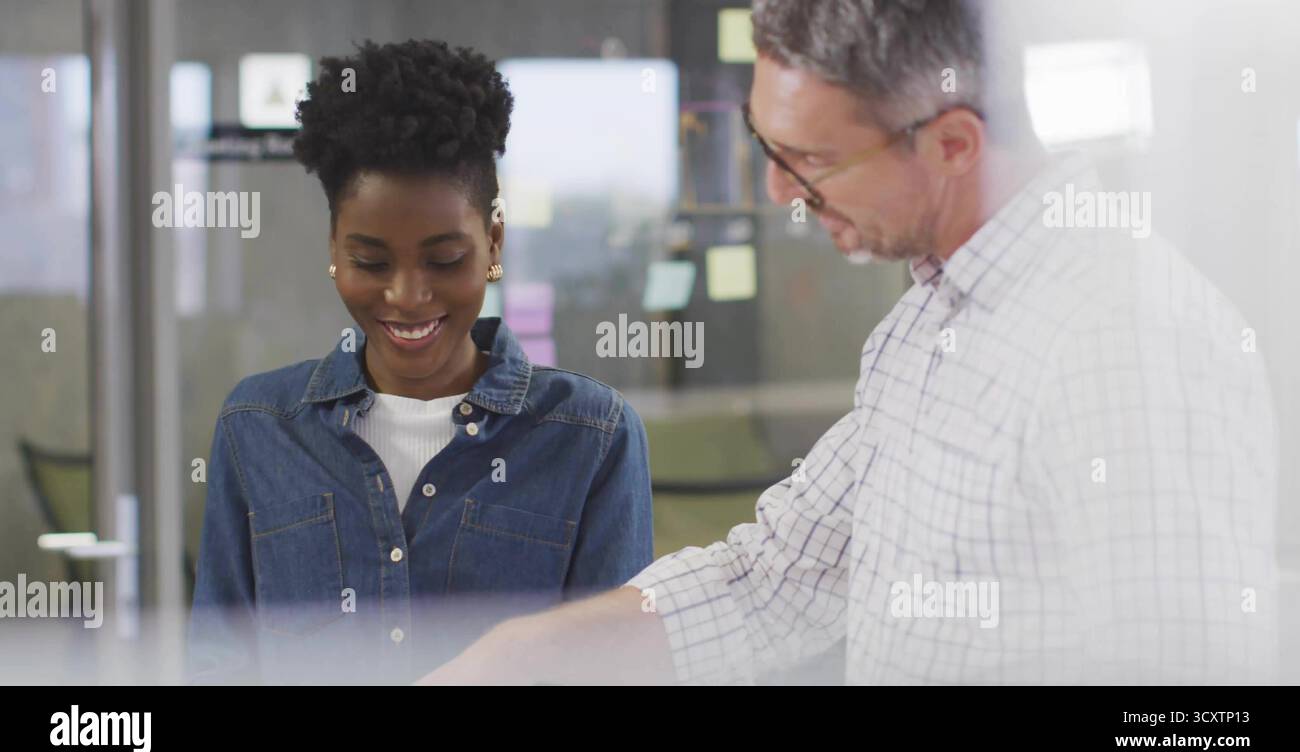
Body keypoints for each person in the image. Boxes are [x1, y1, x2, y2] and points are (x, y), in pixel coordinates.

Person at [420, 0, 1278, 685]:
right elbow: (778, 578)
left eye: (809, 160)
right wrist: (518, 659)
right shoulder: (928, 325)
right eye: (767, 144)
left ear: (951, 143)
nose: (777, 191)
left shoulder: (1125, 341)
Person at [188, 39, 653, 684]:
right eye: (371, 262)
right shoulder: (258, 427)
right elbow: (218, 667)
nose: (407, 296)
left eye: (444, 260)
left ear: (493, 242)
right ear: (333, 248)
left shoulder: (591, 438)